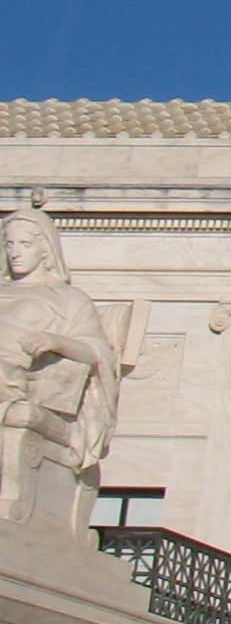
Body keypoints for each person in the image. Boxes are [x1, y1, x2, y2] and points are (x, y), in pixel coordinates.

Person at [0, 209, 121, 536]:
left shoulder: (69, 299)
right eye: (9, 243)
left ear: (46, 249)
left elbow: (97, 353)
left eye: (25, 243)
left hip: (23, 376)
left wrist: (55, 341)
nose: (15, 252)